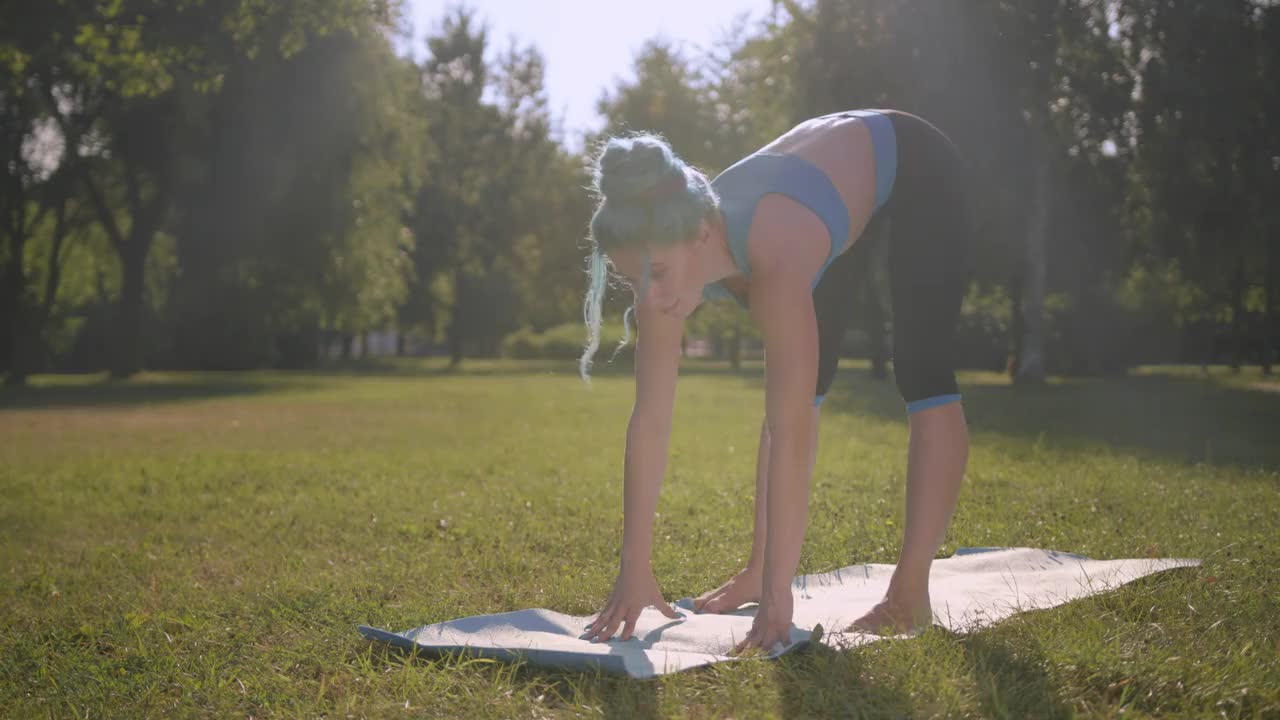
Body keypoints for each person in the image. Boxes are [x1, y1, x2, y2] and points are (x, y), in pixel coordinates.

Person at [578, 109, 972, 656]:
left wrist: (780, 598)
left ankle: (910, 593)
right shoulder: (664, 259)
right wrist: (635, 568)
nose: (650, 298)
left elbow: (793, 436)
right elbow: (650, 419)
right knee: (801, 388)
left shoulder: (776, 250)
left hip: (915, 167)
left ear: (701, 236)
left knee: (921, 367)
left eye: (659, 275)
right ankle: (757, 569)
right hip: (821, 199)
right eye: (631, 279)